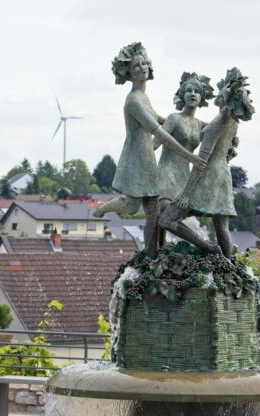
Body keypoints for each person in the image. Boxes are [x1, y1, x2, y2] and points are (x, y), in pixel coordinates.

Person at [93, 43, 206, 257]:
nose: (143, 68)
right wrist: (189, 155)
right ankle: (105, 206)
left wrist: (189, 122)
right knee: (130, 207)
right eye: (137, 66)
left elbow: (163, 121)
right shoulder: (133, 100)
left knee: (153, 215)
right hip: (135, 159)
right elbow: (159, 132)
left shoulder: (144, 97)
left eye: (145, 63)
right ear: (129, 72)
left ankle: (150, 256)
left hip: (147, 159)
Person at [158, 67, 255, 258]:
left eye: (220, 92)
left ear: (226, 96)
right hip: (223, 176)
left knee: (166, 220)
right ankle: (228, 266)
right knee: (221, 226)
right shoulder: (232, 122)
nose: (216, 96)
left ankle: (208, 247)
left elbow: (201, 161)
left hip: (208, 177)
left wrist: (186, 194)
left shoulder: (217, 124)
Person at [154, 72, 214, 245]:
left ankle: (203, 246)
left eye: (197, 91)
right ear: (182, 94)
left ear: (202, 97)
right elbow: (156, 142)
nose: (193, 94)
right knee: (163, 212)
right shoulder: (174, 118)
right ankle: (158, 252)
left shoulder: (200, 125)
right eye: (189, 90)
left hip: (185, 176)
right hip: (167, 172)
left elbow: (219, 131)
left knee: (177, 217)